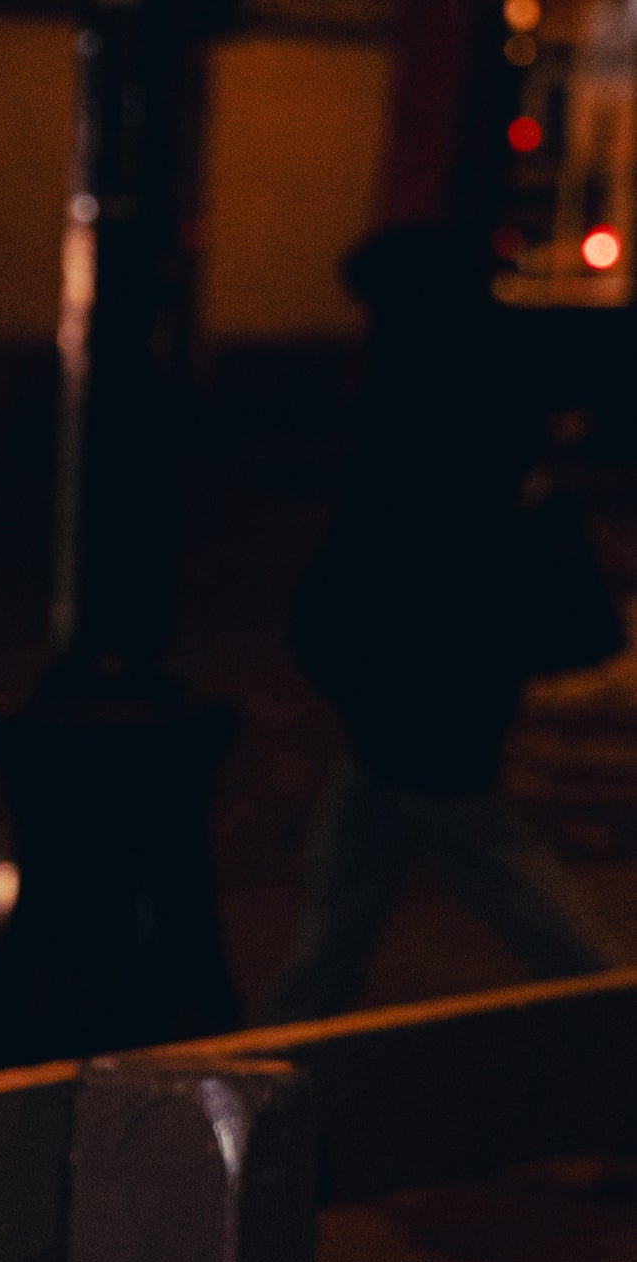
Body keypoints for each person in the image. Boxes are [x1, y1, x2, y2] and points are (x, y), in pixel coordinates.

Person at [262, 218, 623, 1022]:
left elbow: (392, 551)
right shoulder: (482, 379)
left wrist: (339, 639)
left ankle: (609, 1004)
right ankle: (293, 1028)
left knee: (478, 854)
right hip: (433, 674)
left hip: (425, 673)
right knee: (359, 867)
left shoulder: (426, 399)